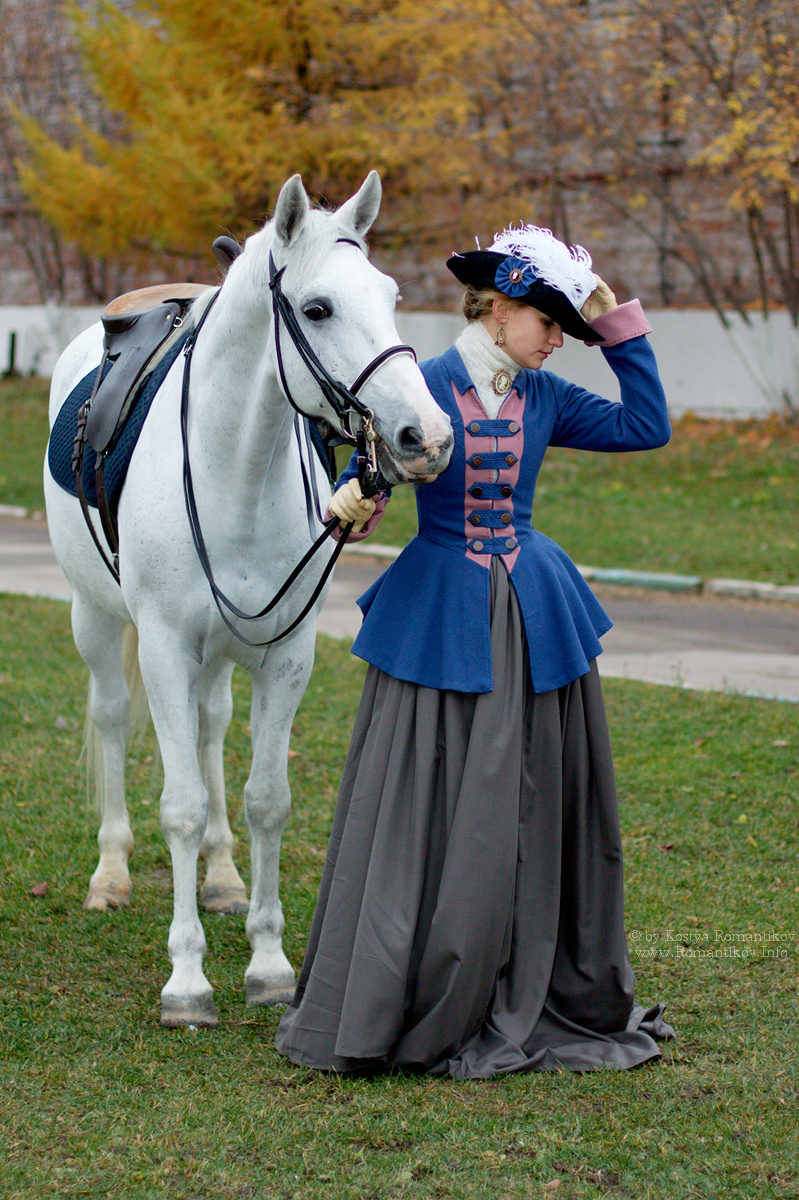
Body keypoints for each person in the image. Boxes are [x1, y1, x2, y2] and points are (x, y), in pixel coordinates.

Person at [275, 223, 675, 1078]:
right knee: (428, 798)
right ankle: (417, 976)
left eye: (567, 326)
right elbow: (364, 476)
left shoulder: (550, 397)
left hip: (531, 610)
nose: (557, 337)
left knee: (527, 794)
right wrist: (356, 496)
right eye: (548, 322)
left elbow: (648, 426)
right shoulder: (418, 385)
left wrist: (618, 325)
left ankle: (522, 963)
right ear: (497, 312)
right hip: (442, 617)